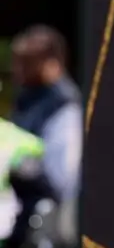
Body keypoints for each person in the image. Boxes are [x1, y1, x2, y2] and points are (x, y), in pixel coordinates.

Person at [10, 25, 81, 206]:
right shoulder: (26, 100)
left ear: (53, 62)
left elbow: (63, 180)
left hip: (46, 216)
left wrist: (23, 168)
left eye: (28, 62)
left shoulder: (65, 107)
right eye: (17, 62)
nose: (18, 69)